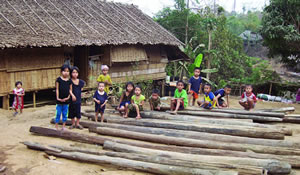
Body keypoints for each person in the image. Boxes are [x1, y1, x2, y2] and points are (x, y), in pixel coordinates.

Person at [55, 65, 72, 130]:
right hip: (59, 101)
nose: (66, 72)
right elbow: (57, 89)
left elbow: (70, 90)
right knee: (58, 113)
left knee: (65, 114)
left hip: (66, 101)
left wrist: (68, 97)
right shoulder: (58, 80)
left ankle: (63, 126)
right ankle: (56, 126)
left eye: (67, 71)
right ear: (61, 71)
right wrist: (58, 98)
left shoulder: (69, 81)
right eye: (64, 71)